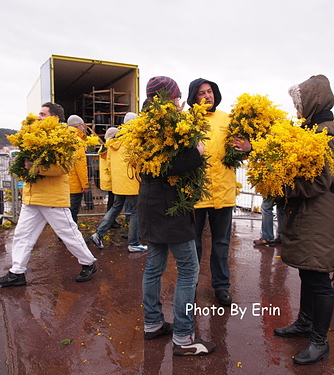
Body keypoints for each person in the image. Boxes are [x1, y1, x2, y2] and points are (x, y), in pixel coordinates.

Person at [139, 76, 215, 356]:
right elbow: (167, 167)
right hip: (169, 205)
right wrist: (197, 152)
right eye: (177, 94)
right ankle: (183, 337)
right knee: (188, 270)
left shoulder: (144, 123)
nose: (179, 98)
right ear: (167, 96)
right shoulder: (164, 122)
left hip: (150, 203)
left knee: (154, 267)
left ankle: (153, 324)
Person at [274, 75, 334, 365]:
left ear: (315, 102)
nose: (297, 109)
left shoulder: (328, 135)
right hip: (310, 214)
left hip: (319, 215)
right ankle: (305, 322)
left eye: (299, 103)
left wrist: (282, 184)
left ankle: (320, 341)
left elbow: (319, 181)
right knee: (308, 271)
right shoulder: (315, 130)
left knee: (318, 280)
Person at [0, 102, 97, 287]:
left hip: (52, 198)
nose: (38, 117)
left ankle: (88, 263)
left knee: (68, 234)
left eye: (42, 114)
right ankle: (17, 272)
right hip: (33, 197)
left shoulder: (65, 140)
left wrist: (35, 168)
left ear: (55, 118)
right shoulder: (34, 137)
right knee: (22, 235)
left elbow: (63, 167)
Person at [186, 78, 251, 306]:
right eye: (201, 93)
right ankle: (190, 284)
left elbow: (240, 149)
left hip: (223, 192)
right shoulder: (187, 120)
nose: (207, 96)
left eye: (210, 91)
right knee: (194, 244)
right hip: (196, 194)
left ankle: (221, 286)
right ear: (194, 97)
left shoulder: (228, 119)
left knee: (222, 243)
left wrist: (248, 148)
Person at [89, 112, 147, 253]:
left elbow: (109, 162)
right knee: (135, 212)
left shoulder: (114, 141)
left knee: (115, 208)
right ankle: (133, 243)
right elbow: (139, 160)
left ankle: (98, 234)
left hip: (118, 183)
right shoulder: (133, 138)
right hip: (132, 181)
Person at [66, 115, 89, 224]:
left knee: (65, 212)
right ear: (79, 126)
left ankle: (63, 235)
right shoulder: (77, 141)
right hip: (74, 183)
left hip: (64, 182)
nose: (84, 128)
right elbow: (80, 165)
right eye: (83, 126)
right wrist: (85, 184)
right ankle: (72, 238)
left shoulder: (64, 138)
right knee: (73, 211)